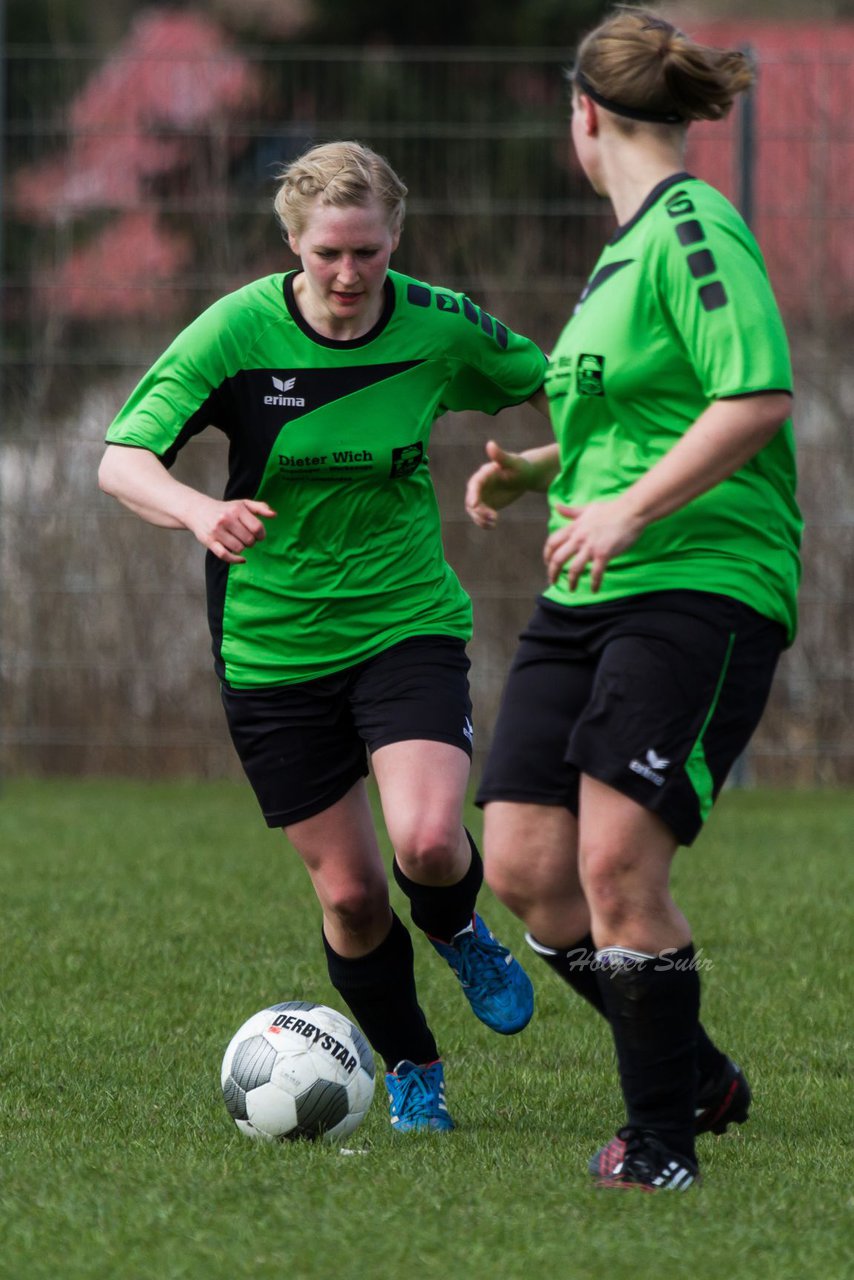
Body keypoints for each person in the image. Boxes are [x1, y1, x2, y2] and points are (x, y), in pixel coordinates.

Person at [99, 140, 545, 1133]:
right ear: (291, 241)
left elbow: (554, 382)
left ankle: (459, 926)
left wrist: (548, 466)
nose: (347, 276)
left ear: (395, 237)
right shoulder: (236, 332)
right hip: (272, 647)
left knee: (427, 841)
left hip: (403, 620)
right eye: (326, 255)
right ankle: (413, 1065)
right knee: (348, 896)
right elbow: (123, 458)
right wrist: (193, 510)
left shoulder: (436, 326)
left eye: (367, 252)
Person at [465, 8, 801, 1189]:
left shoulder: (694, 225)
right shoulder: (618, 256)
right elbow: (638, 417)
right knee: (521, 862)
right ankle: (694, 1070)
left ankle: (659, 1142)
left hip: (698, 580)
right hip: (592, 582)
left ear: (584, 115)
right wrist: (541, 472)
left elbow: (751, 392)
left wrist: (625, 510)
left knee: (614, 867)